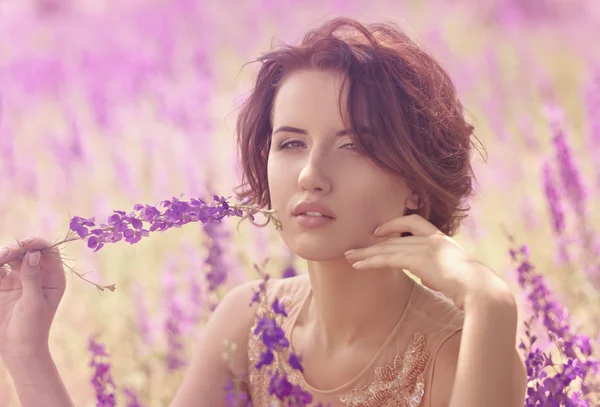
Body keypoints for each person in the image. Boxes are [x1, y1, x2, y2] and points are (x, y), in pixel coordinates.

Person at [0, 17, 527, 407]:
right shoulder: (249, 322)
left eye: (353, 147)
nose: (310, 175)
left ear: (413, 182)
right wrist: (25, 351)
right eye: (292, 143)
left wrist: (490, 300)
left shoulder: (457, 350)